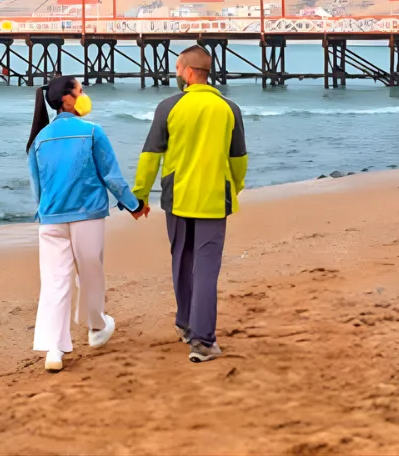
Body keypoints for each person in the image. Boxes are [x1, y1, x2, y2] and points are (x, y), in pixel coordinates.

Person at [132, 46, 247, 363]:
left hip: (178, 198)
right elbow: (238, 159)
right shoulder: (229, 108)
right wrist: (232, 188)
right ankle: (203, 341)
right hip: (213, 198)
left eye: (178, 68)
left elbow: (150, 156)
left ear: (189, 71)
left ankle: (186, 325)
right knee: (206, 268)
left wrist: (139, 197)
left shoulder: (169, 106)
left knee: (182, 261)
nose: (176, 73)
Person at [26, 74, 147, 372]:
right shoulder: (92, 132)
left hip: (50, 219)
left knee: (55, 282)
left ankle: (54, 350)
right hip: (86, 215)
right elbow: (112, 176)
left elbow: (37, 189)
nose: (85, 95)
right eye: (81, 90)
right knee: (91, 271)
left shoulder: (38, 139)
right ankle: (96, 328)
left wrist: (46, 214)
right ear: (67, 98)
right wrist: (133, 205)